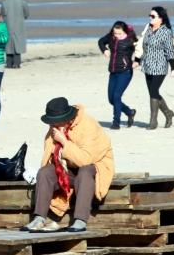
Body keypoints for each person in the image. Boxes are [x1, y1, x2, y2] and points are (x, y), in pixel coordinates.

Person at [22, 97, 115, 233]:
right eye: (51, 122)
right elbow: (48, 156)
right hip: (69, 168)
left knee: (84, 172)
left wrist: (64, 142)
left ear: (67, 117)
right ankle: (39, 218)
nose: (52, 125)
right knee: (45, 173)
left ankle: (80, 219)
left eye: (55, 122)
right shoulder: (55, 128)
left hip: (95, 166)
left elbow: (85, 159)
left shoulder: (88, 126)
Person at [133, 6, 174, 129]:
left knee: (153, 92)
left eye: (153, 16)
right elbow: (141, 44)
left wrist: (173, 68)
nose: (150, 18)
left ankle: (153, 121)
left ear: (160, 18)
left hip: (160, 66)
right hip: (147, 65)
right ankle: (168, 113)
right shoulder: (148, 28)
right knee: (153, 93)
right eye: (149, 15)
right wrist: (137, 60)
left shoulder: (166, 32)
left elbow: (170, 51)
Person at [97, 21, 137, 129]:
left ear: (124, 31)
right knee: (111, 99)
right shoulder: (111, 37)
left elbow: (141, 51)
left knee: (116, 96)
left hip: (125, 72)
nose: (117, 36)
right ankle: (130, 112)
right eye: (115, 33)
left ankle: (116, 122)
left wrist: (137, 61)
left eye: (119, 34)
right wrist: (104, 50)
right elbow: (101, 41)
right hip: (113, 72)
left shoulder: (130, 40)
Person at [0, 0, 30, 68]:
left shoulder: (5, 2)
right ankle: (16, 63)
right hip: (19, 25)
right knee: (18, 42)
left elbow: (2, 14)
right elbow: (27, 14)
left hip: (8, 24)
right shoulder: (23, 1)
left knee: (8, 43)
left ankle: (9, 63)